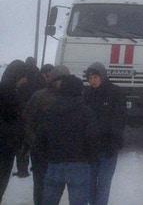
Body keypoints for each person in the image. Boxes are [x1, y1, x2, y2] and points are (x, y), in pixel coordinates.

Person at [38, 75, 100, 205]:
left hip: (54, 162)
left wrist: (45, 156)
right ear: (79, 91)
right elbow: (92, 138)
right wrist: (91, 158)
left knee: (49, 201)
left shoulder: (50, 110)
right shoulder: (86, 112)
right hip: (79, 163)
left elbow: (41, 137)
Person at [24, 65, 70, 205]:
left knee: (56, 187)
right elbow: (27, 121)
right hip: (40, 152)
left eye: (64, 80)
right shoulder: (39, 96)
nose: (60, 83)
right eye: (58, 79)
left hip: (61, 153)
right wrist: (35, 143)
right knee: (40, 186)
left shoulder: (72, 97)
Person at [84, 62, 126, 205]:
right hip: (90, 148)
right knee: (89, 182)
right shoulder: (86, 94)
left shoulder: (115, 92)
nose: (93, 81)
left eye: (96, 77)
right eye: (90, 78)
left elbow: (119, 119)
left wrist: (114, 142)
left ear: (103, 76)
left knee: (103, 183)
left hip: (108, 146)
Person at [0, 60, 28, 203]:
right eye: (23, 76)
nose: (25, 80)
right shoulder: (10, 94)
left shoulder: (8, 90)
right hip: (5, 148)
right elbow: (13, 121)